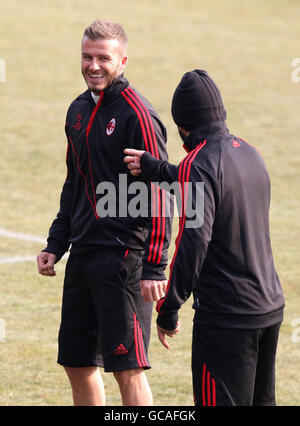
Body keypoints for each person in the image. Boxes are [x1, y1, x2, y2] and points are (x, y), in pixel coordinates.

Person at [124, 69, 285, 406]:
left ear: (183, 126)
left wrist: (169, 309)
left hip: (226, 317)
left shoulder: (200, 164)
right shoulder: (249, 153)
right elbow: (207, 184)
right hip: (268, 307)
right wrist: (155, 167)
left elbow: (193, 243)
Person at [36, 20, 173, 406]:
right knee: (77, 363)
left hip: (125, 259)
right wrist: (56, 242)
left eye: (103, 58)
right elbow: (74, 184)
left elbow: (162, 190)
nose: (93, 65)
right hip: (84, 253)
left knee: (127, 370)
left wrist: (154, 267)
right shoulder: (78, 110)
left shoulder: (138, 115)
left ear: (122, 61)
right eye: (87, 56)